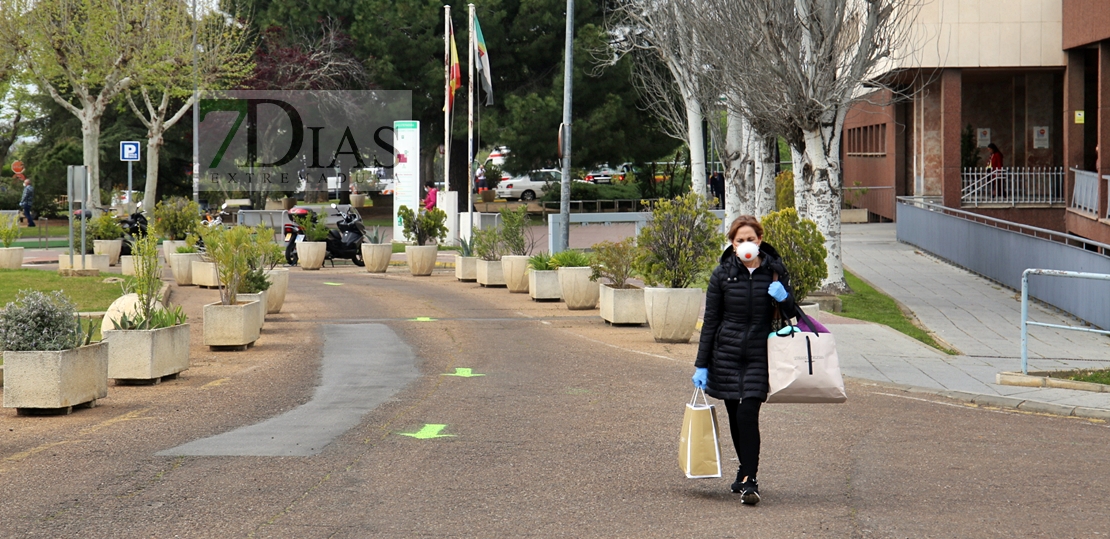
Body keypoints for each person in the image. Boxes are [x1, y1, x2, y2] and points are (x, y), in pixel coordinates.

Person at [692, 215, 800, 506]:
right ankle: (743, 472)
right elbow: (711, 321)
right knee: (733, 417)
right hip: (725, 355)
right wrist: (701, 364)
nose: (745, 245)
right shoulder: (722, 275)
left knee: (746, 414)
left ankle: (750, 479)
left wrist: (784, 296)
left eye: (750, 239)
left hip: (759, 355)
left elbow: (793, 312)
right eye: (739, 240)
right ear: (732, 243)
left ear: (760, 240)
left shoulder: (774, 272)